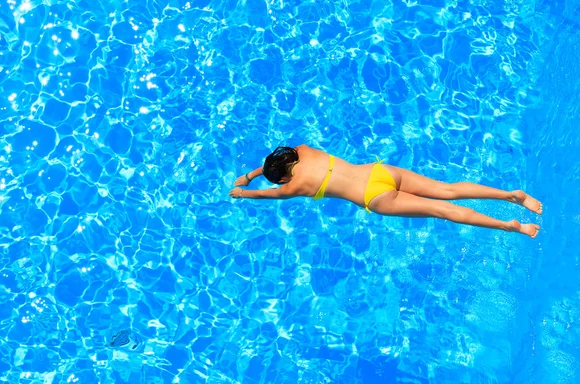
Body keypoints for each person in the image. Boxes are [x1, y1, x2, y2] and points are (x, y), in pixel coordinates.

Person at [229, 145, 542, 238]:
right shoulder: (304, 150)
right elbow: (273, 161)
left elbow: (266, 195)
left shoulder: (292, 187)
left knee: (442, 211)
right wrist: (250, 173)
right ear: (288, 158)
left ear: (282, 179)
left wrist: (243, 192)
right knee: (447, 190)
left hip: (375, 197)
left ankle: (511, 226)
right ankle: (511, 195)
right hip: (379, 171)